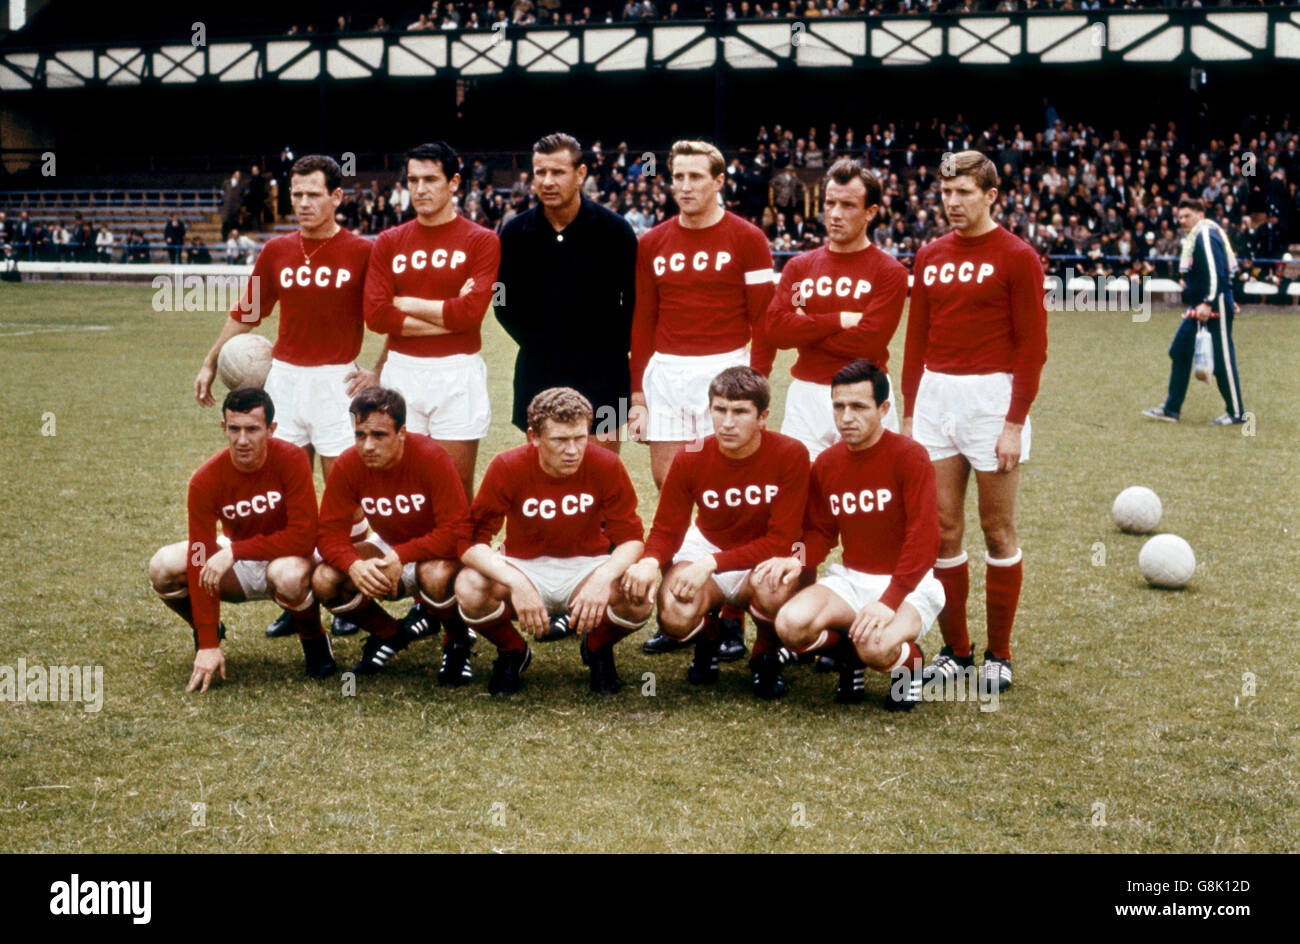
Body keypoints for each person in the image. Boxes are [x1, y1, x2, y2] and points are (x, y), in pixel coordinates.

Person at [194, 155, 382, 639]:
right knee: (280, 498)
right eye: (296, 194)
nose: (302, 203)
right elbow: (247, 313)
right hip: (284, 382)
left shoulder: (362, 252)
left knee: (345, 498)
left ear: (337, 197)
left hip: (338, 384)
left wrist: (377, 370)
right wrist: (211, 361)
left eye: (313, 194)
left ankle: (342, 595)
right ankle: (294, 597)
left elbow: (390, 314)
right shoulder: (277, 250)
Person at [900, 150, 1047, 696]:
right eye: (946, 194)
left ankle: (999, 653)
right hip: (937, 397)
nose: (953, 203)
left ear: (990, 196)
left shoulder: (1017, 256)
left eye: (964, 193)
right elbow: (915, 341)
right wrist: (911, 412)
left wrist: (1014, 422)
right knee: (942, 529)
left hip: (992, 398)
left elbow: (1033, 349)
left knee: (996, 528)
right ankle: (957, 650)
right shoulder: (930, 255)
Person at [628, 139, 776, 659]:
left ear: (719, 181)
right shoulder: (652, 242)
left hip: (726, 371)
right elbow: (642, 321)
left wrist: (754, 385)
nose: (685, 187)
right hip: (667, 373)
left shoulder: (748, 238)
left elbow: (764, 320)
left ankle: (733, 613)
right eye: (678, 177)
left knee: (730, 487)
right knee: (672, 486)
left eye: (696, 177)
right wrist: (638, 394)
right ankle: (691, 601)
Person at [762, 360, 943, 711]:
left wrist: (889, 601)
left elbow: (924, 539)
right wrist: (794, 558)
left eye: (858, 406)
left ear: (883, 408)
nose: (846, 417)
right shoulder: (828, 463)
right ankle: (848, 657)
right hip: (851, 580)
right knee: (790, 625)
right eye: (838, 406)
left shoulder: (910, 456)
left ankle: (911, 664)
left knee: (875, 647)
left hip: (909, 584)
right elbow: (819, 533)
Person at [621, 367, 809, 699]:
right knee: (674, 616)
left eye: (740, 412)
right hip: (709, 542)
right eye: (719, 410)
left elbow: (782, 541)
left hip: (760, 554)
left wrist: (710, 563)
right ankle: (710, 639)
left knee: (774, 584)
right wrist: (651, 561)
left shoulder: (790, 453)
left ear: (763, 416)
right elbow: (667, 529)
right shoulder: (691, 455)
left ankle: (764, 655)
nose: (727, 422)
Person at [455, 388, 650, 695]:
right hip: (524, 564)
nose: (572, 450)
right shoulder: (508, 466)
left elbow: (632, 540)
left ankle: (597, 648)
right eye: (560, 440)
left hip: (587, 565)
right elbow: (468, 542)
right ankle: (512, 651)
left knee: (640, 596)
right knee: (469, 587)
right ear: (534, 436)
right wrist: (516, 583)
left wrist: (603, 579)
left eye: (580, 437)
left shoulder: (606, 465)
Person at [147, 387, 331, 692]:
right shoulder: (205, 480)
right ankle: (207, 632)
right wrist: (207, 641)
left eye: (252, 429)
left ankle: (314, 641)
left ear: (271, 429)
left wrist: (235, 551)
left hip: (290, 558)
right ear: (224, 427)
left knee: (287, 575)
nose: (242, 440)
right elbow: (198, 555)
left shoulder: (292, 459)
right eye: (234, 429)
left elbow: (303, 536)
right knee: (163, 566)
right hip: (241, 565)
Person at [363, 141, 501, 502]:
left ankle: (456, 557)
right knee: (404, 486)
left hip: (457, 371)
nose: (420, 189)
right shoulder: (389, 241)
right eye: (412, 180)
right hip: (402, 371)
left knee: (453, 487)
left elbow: (471, 315)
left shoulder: (482, 240)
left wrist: (406, 302)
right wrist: (448, 315)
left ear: (454, 183)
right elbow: (376, 315)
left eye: (430, 179)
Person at [313, 387, 476, 681]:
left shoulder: (431, 457)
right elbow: (327, 534)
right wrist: (354, 564)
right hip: (389, 545)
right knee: (324, 580)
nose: (367, 445)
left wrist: (403, 554)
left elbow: (456, 531)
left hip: (438, 550)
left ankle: (457, 641)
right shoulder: (349, 464)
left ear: (401, 432)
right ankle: (389, 633)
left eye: (379, 435)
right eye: (360, 435)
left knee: (436, 575)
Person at [496, 133, 638, 452]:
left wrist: (611, 348)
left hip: (603, 373)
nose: (547, 181)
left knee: (602, 474)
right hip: (538, 369)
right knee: (543, 474)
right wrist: (538, 342)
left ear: (581, 174)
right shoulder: (515, 233)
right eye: (540, 172)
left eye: (557, 172)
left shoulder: (615, 231)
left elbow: (635, 302)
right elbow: (502, 299)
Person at [765, 158, 909, 460]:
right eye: (830, 203)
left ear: (870, 212)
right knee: (805, 494)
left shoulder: (888, 271)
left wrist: (807, 328)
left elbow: (869, 341)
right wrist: (839, 320)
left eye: (848, 205)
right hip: (807, 396)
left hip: (865, 394)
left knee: (867, 495)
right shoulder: (801, 268)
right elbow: (777, 330)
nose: (835, 214)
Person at [1142, 197, 1246, 426]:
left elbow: (1215, 270)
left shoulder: (1205, 235)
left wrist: (1210, 301)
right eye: (1179, 217)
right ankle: (1171, 409)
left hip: (1210, 305)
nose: (1182, 221)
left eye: (1187, 216)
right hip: (1199, 306)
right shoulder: (1198, 235)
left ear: (1200, 213)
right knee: (1179, 349)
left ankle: (1237, 412)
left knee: (1222, 359)